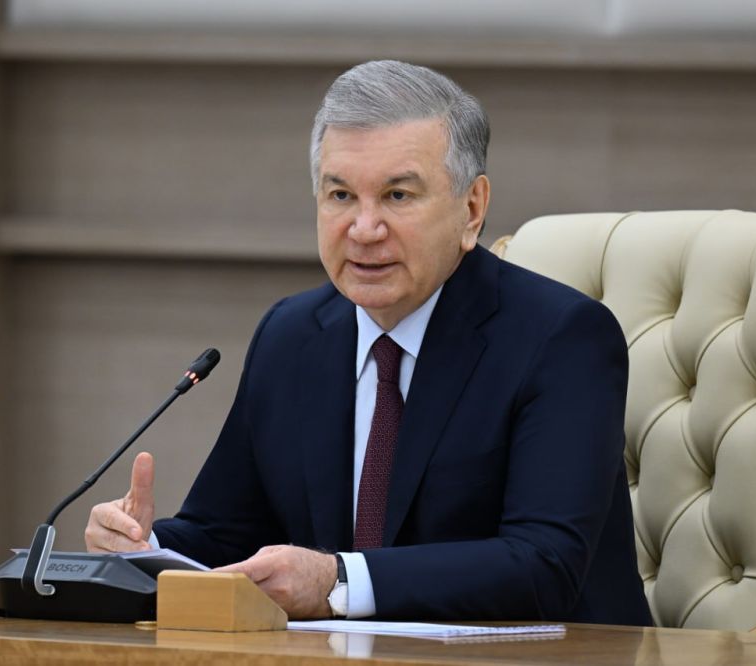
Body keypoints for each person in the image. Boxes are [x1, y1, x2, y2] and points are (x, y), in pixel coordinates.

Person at [85, 60, 653, 625]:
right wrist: (142, 550)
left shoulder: (562, 339)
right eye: (340, 196)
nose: (363, 229)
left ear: (472, 209)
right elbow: (226, 534)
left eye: (397, 196)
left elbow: (544, 566)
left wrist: (337, 582)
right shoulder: (292, 335)